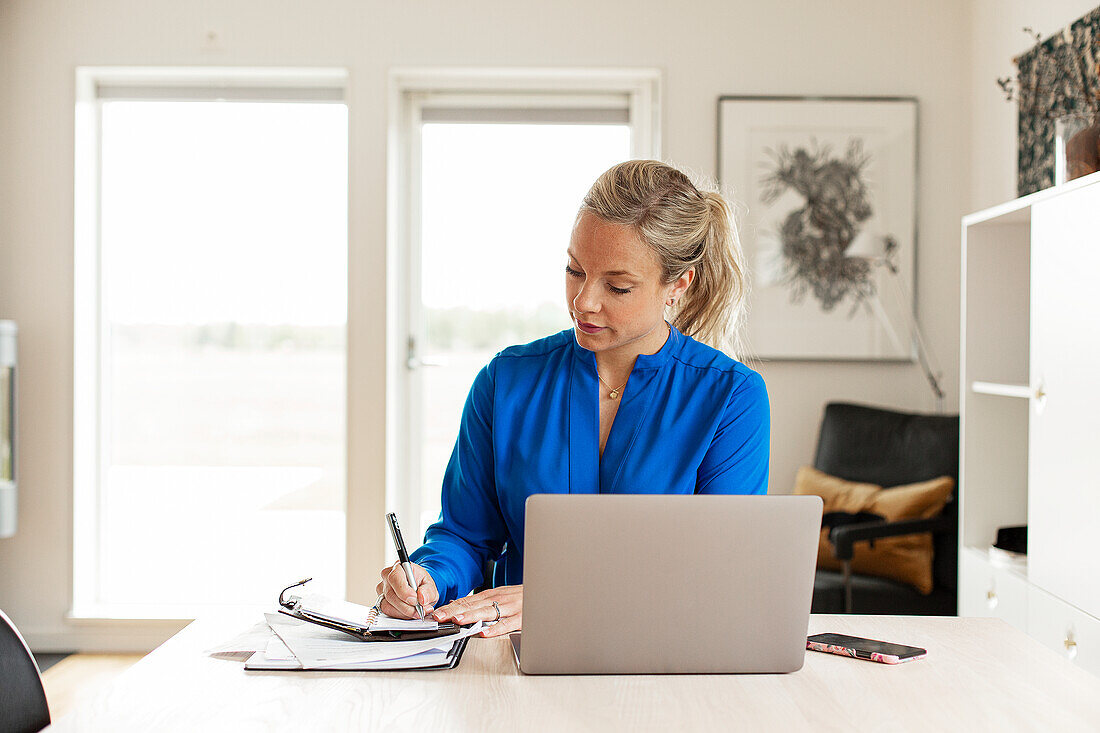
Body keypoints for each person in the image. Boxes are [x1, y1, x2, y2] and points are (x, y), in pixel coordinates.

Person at [376, 159, 770, 637]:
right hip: (512, 658)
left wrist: (554, 598)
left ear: (677, 285)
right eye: (574, 270)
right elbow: (463, 535)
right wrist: (428, 578)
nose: (583, 301)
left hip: (660, 661)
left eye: (617, 286)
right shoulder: (505, 381)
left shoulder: (732, 398)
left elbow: (718, 572)